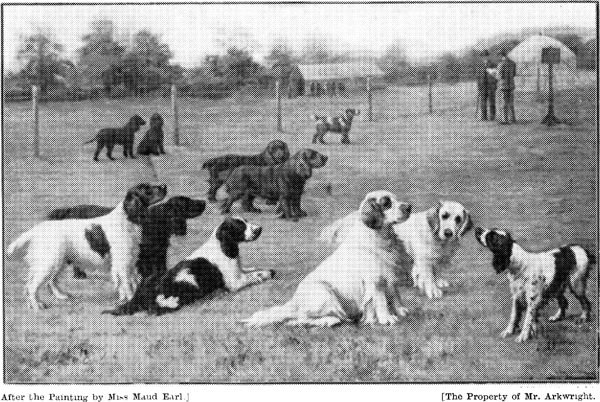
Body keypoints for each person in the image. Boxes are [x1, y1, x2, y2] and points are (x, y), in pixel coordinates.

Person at [497, 50, 517, 124]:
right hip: (511, 85)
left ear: (501, 56)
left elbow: (500, 76)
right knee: (511, 103)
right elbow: (514, 74)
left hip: (503, 86)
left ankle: (504, 119)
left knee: (504, 103)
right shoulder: (513, 63)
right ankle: (513, 119)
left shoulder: (500, 64)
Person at [476, 50, 497, 121]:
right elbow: (478, 77)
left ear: (488, 56)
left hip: (491, 87)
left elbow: (496, 76)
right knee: (483, 102)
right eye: (483, 56)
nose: (484, 58)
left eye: (486, 56)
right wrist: (479, 86)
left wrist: (494, 86)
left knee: (492, 102)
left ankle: (492, 117)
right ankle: (483, 117)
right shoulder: (479, 66)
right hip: (482, 87)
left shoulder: (493, 65)